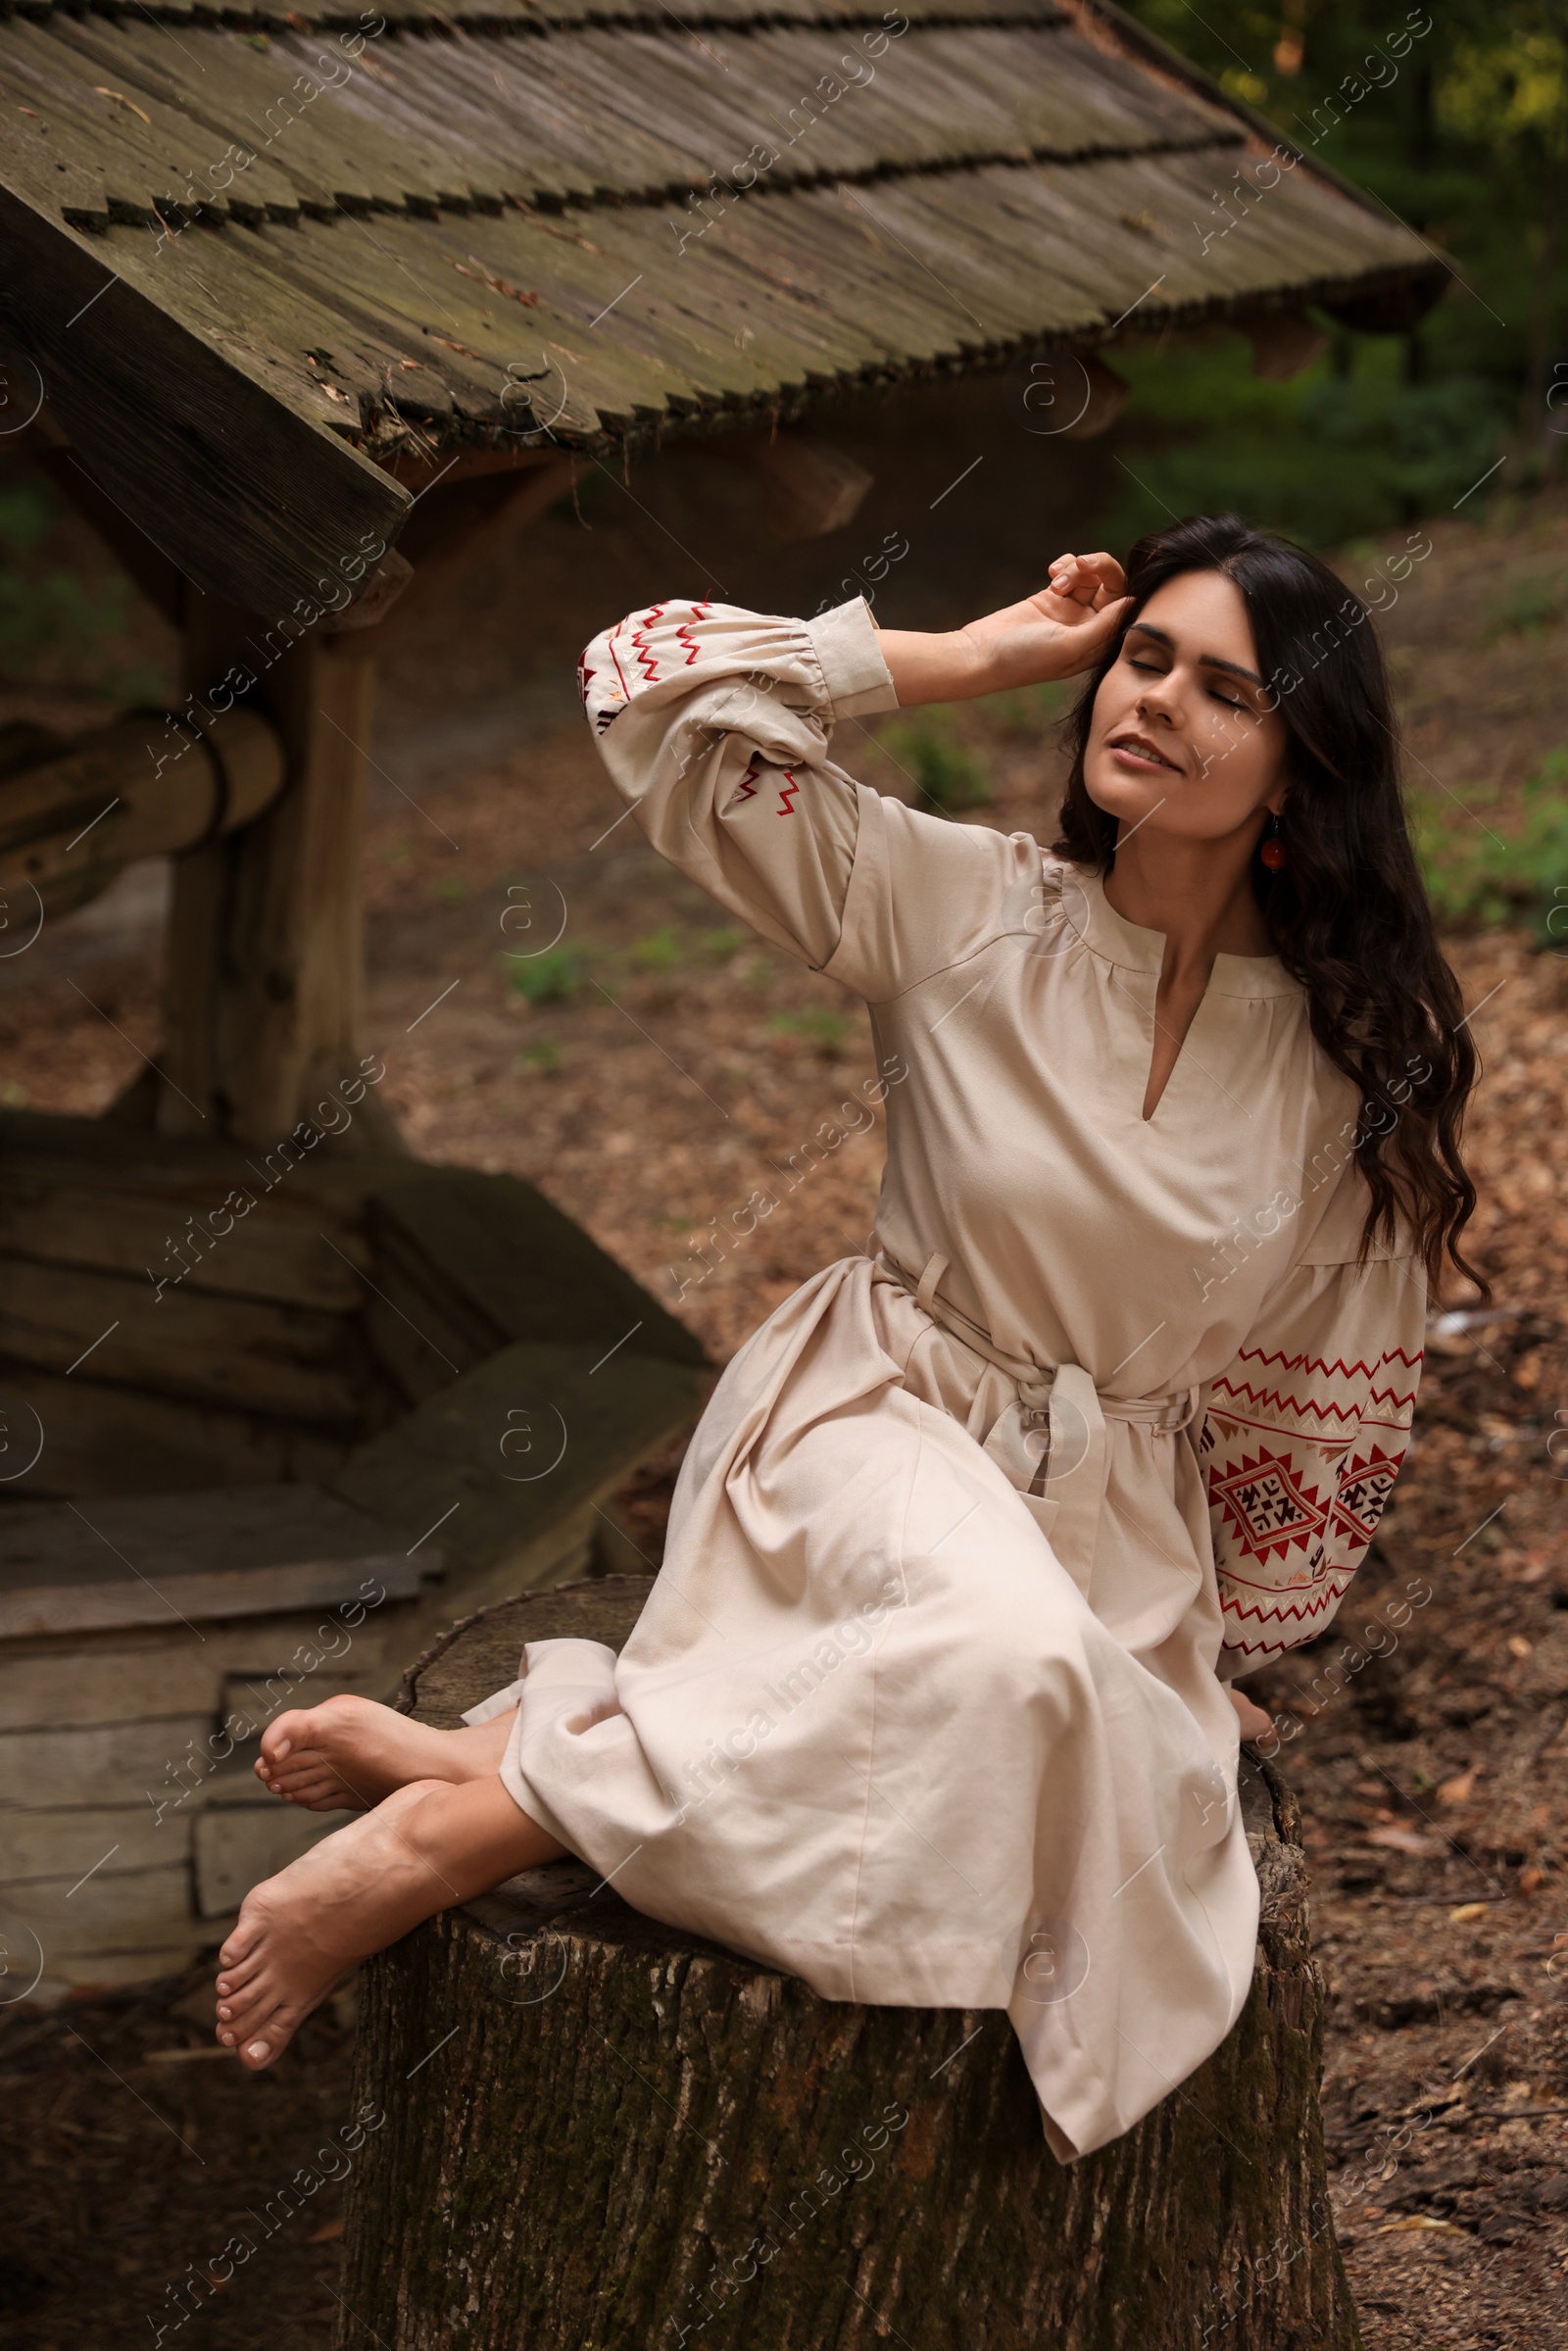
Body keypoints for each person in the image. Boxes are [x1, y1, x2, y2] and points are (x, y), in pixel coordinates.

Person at [215, 514, 1480, 2162]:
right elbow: (647, 697)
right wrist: (977, 651)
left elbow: (1309, 1384)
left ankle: (509, 1760)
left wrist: (1217, 1644)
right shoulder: (958, 903)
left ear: (1303, 769)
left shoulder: (1342, 1065)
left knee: (1048, 1683)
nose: (1154, 700)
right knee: (1019, 1670)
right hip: (881, 1421)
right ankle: (440, 1848)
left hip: (1113, 1519)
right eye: (1143, 658)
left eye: (1222, 690)